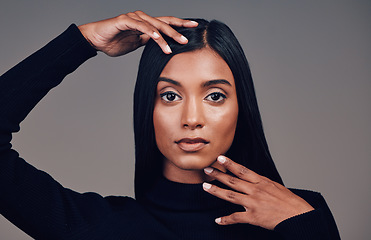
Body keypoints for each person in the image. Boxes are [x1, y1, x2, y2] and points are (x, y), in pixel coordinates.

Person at [0, 11, 340, 240]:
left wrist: (305, 225)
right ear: (146, 108)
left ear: (242, 107)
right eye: (170, 96)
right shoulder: (100, 227)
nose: (192, 119)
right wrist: (81, 42)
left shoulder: (299, 215)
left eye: (215, 96)